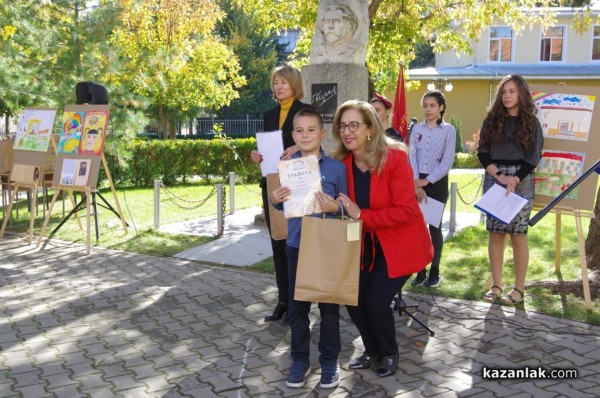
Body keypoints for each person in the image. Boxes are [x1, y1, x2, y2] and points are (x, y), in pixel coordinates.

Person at [329, 100, 433, 377]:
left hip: (400, 245)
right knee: (353, 300)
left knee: (375, 302)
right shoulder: (341, 164)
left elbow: (406, 210)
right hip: (363, 246)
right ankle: (372, 350)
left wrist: (360, 214)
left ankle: (388, 352)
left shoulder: (395, 158)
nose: (347, 131)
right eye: (342, 126)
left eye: (354, 125)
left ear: (370, 129)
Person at [270, 109, 348, 389]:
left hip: (326, 247)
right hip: (296, 246)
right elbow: (281, 202)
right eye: (299, 131)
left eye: (311, 130)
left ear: (322, 134)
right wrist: (275, 198)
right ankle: (299, 360)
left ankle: (329, 361)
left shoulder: (337, 169)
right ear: (293, 136)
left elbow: (347, 208)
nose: (305, 135)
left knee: (329, 310)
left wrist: (335, 206)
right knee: (297, 311)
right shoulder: (288, 166)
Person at [250, 65, 314, 323]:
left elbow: (314, 144)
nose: (278, 86)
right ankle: (283, 301)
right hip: (273, 183)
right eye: (275, 82)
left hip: (298, 184)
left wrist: (297, 148)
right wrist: (258, 156)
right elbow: (268, 148)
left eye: (283, 82)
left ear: (294, 84)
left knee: (297, 247)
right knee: (278, 245)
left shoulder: (306, 111)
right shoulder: (269, 114)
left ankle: (300, 305)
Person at [477, 75, 544, 305]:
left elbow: (533, 157)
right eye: (503, 91)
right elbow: (482, 152)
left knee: (518, 235)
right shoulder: (491, 121)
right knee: (496, 234)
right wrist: (500, 176)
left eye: (512, 91)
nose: (506, 95)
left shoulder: (532, 123)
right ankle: (496, 285)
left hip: (521, 180)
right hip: (495, 178)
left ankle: (518, 289)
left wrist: (514, 179)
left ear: (521, 94)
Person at [408, 90, 456, 288]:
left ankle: (435, 271)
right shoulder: (416, 129)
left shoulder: (448, 130)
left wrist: (427, 181)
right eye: (425, 106)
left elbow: (447, 161)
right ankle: (420, 270)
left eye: (432, 105)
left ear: (441, 107)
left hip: (436, 182)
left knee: (434, 227)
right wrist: (416, 180)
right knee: (417, 227)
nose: (428, 109)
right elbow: (411, 156)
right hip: (417, 180)